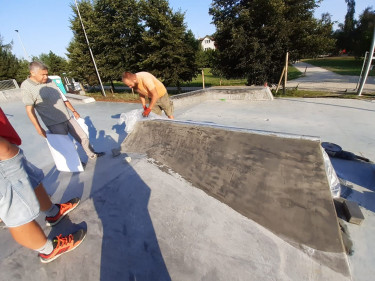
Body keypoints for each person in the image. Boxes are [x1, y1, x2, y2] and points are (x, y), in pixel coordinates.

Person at [0, 107, 86, 263]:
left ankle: (53, 213)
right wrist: (5, 150)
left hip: (8, 150)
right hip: (3, 157)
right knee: (16, 213)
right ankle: (48, 250)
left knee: (33, 182)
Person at [21, 61, 104, 161]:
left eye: (46, 74)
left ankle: (92, 154)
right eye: (42, 75)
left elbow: (62, 97)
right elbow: (30, 110)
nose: (46, 77)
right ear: (32, 73)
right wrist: (39, 128)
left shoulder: (50, 81)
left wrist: (73, 111)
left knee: (83, 137)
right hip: (54, 123)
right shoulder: (26, 87)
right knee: (66, 145)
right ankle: (75, 164)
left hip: (67, 117)